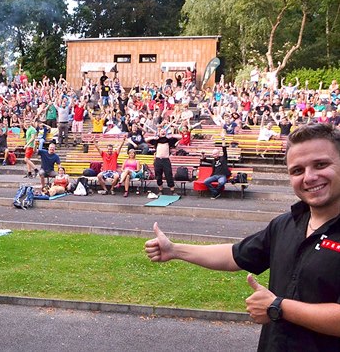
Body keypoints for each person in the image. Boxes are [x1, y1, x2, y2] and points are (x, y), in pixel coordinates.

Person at [145, 123, 340, 351]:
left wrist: (278, 307)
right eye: (297, 170)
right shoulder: (286, 224)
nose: (309, 177)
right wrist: (175, 250)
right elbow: (235, 255)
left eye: (321, 165)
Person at [145, 128, 182, 196]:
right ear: (159, 133)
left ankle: (172, 191)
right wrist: (154, 137)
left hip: (166, 160)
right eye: (161, 131)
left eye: (164, 131)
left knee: (169, 175)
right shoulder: (156, 140)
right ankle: (161, 190)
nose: (163, 132)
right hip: (158, 160)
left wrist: (172, 135)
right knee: (158, 176)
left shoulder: (169, 140)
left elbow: (180, 137)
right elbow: (146, 140)